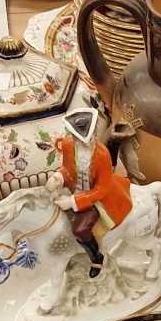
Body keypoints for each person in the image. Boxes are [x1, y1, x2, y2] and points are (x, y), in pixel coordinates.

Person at [51, 108, 133, 270]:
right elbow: (67, 169)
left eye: (90, 138)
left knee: (80, 229)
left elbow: (102, 188)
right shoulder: (67, 145)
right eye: (80, 140)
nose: (86, 143)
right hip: (73, 190)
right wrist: (58, 177)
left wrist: (73, 202)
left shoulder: (102, 155)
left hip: (96, 197)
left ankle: (97, 258)